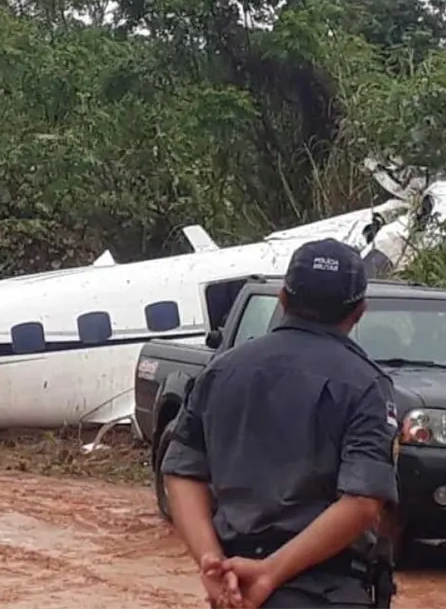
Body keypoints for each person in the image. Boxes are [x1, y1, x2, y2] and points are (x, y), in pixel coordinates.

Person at [162, 238, 398, 609]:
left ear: (282, 299)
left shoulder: (221, 371)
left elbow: (181, 471)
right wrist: (270, 572)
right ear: (359, 311)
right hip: (325, 591)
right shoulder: (366, 385)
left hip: (236, 589)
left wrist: (211, 562)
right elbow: (363, 501)